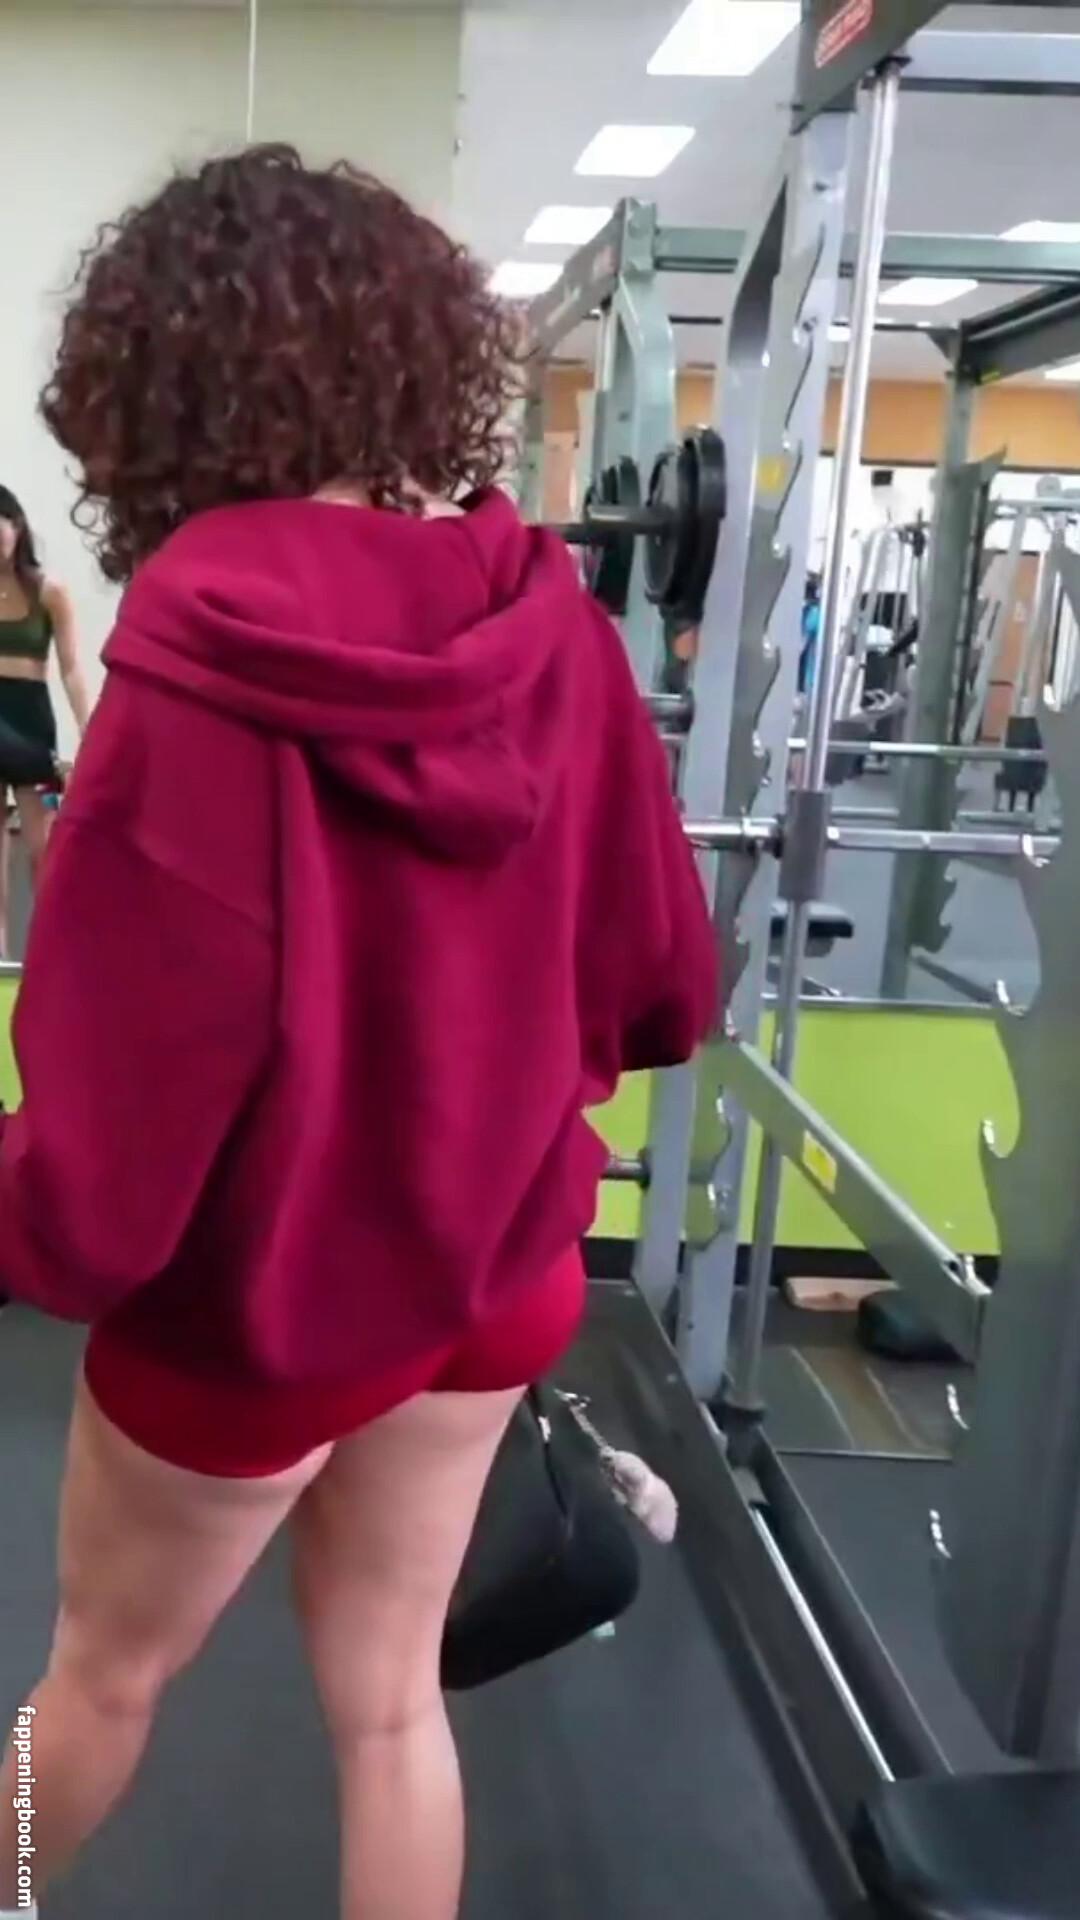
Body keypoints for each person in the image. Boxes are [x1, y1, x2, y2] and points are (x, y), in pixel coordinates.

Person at [0, 145, 717, 1920]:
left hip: (268, 1306)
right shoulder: (555, 627)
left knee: (104, 1677)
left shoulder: (189, 664)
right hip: (493, 1269)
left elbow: (112, 1157)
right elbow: (657, 975)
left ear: (152, 391)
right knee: (393, 1705)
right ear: (414, 360)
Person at [0, 487, 88, 952]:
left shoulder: (49, 591)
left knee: (44, 851)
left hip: (32, 724)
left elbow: (71, 668)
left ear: (16, 528)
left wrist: (88, 731)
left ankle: (52, 954)